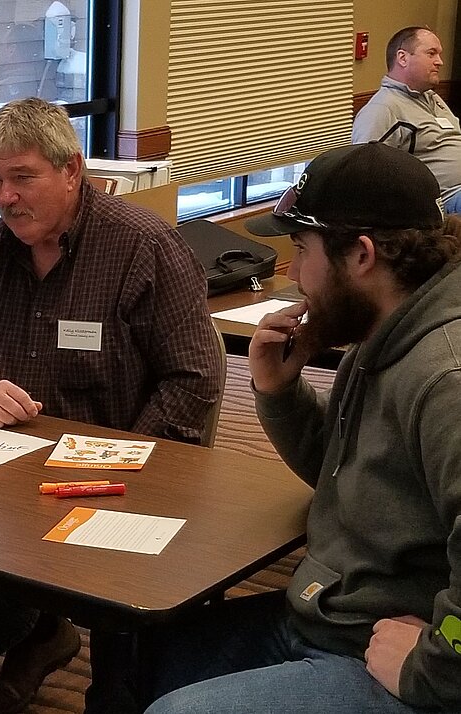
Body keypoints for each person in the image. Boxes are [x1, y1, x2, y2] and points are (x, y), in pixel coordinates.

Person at [0, 97, 222, 714]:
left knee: (119, 643)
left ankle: (109, 677)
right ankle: (37, 635)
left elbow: (194, 381)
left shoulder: (144, 248)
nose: (6, 196)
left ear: (71, 170)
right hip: (7, 473)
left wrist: (119, 465)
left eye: (22, 177)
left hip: (126, 474)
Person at [143, 142, 461, 713]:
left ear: (361, 255)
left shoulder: (446, 376)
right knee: (137, 650)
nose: (292, 273)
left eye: (300, 248)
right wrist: (279, 393)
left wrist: (432, 667)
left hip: (389, 656)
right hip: (332, 617)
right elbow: (353, 479)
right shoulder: (383, 333)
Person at [352, 26, 461, 214]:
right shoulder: (383, 109)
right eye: (431, 53)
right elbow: (364, 175)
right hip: (445, 202)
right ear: (403, 58)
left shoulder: (432, 97)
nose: (440, 62)